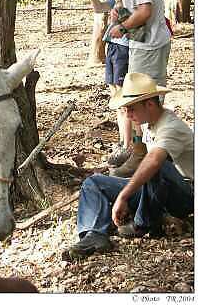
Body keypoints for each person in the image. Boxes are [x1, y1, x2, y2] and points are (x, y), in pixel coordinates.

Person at [62, 72, 193, 260]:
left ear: (149, 104)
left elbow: (154, 161)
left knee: (158, 165)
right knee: (94, 183)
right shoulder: (150, 123)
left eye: (131, 109)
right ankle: (94, 235)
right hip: (161, 190)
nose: (128, 115)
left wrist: (123, 196)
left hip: (185, 194)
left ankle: (142, 223)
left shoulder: (171, 126)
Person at [90, 0, 171, 177]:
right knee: (136, 98)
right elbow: (136, 11)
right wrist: (121, 12)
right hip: (143, 44)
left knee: (144, 100)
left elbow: (146, 12)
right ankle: (141, 151)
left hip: (149, 46)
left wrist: (121, 28)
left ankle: (147, 156)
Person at [86, 0, 132, 168]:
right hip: (112, 46)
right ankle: (123, 142)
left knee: (125, 101)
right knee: (115, 97)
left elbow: (125, 15)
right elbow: (99, 7)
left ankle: (128, 145)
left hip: (124, 48)